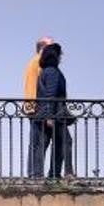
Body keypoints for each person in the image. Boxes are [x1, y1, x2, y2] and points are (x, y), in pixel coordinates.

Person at [24, 35, 74, 178]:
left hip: (41, 109)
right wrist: (48, 115)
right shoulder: (43, 67)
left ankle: (40, 174)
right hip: (47, 110)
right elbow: (49, 93)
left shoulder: (41, 67)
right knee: (49, 143)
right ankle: (48, 174)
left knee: (42, 143)